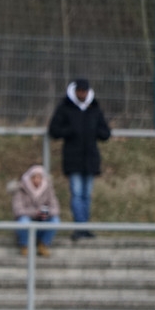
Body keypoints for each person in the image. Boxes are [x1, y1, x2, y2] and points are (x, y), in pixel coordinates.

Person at [47, 77, 111, 241]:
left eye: (84, 91)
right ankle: (80, 227)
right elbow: (54, 130)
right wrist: (71, 130)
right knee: (76, 193)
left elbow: (105, 133)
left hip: (90, 159)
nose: (82, 94)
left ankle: (83, 227)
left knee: (86, 195)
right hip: (73, 158)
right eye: (80, 91)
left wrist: (94, 131)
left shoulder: (94, 108)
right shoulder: (65, 107)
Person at [12, 164, 61, 257]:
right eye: (34, 177)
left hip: (43, 219)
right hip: (28, 220)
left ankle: (43, 245)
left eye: (39, 177)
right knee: (23, 220)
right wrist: (35, 212)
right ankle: (25, 245)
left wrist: (44, 212)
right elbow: (18, 210)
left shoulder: (48, 189)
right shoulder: (21, 189)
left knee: (55, 220)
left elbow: (55, 208)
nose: (36, 180)